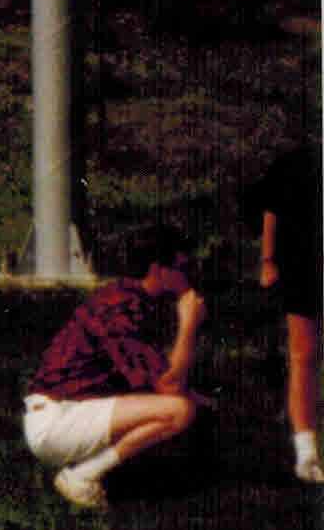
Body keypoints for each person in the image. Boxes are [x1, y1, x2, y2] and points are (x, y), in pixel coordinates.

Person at [21, 224, 206, 510]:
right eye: (183, 266)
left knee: (188, 405)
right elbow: (170, 387)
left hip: (68, 411)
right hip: (57, 421)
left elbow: (154, 378)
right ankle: (82, 476)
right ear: (158, 269)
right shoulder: (121, 308)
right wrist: (189, 326)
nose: (190, 275)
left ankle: (111, 474)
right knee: (179, 410)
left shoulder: (131, 299)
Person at [250, 141, 321, 484]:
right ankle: (306, 451)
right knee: (304, 355)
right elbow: (271, 211)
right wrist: (267, 260)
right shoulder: (297, 161)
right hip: (304, 268)